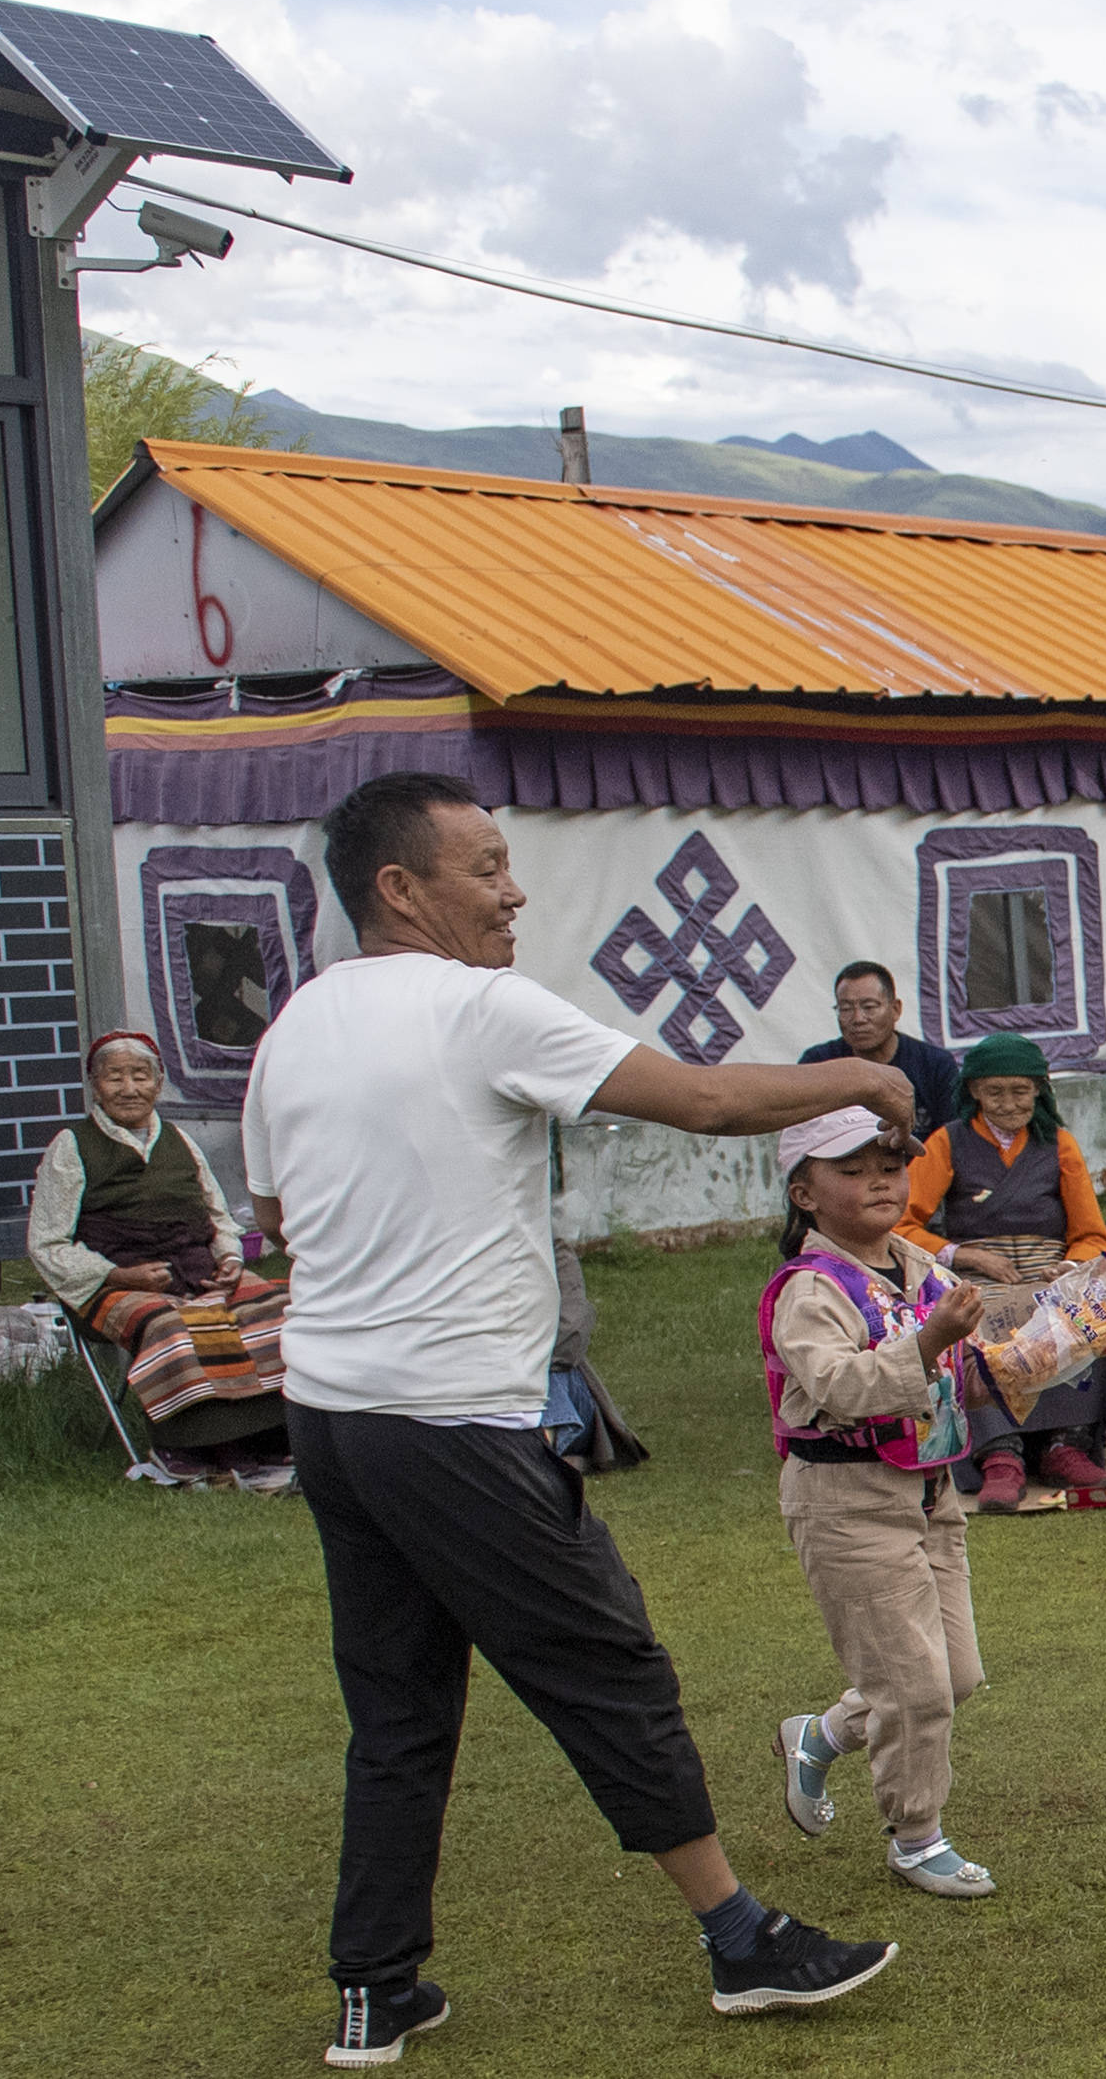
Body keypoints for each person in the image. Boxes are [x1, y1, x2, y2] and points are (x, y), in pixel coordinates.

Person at [248, 772, 910, 2067]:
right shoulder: (479, 1007)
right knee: (610, 1667)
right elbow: (704, 1099)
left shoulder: (296, 1027)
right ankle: (741, 1941)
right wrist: (858, 1078)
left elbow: (278, 1222)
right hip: (450, 1425)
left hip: (333, 1418)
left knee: (397, 1707)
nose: (514, 890)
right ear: (401, 887)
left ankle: (376, 1988)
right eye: (486, 866)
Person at [762, 1106, 996, 1900]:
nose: (880, 1183)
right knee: (915, 1686)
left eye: (891, 1168)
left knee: (954, 1674)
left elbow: (967, 1363)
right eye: (853, 1170)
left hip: (928, 1492)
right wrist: (928, 1343)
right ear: (804, 1193)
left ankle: (821, 1736)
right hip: (846, 1501)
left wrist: (1048, 1342)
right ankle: (916, 1833)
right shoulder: (809, 1288)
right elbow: (836, 1384)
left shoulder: (916, 1265)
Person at [28, 1029, 292, 1490]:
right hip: (114, 1282)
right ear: (95, 1084)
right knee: (173, 1324)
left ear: (159, 1081)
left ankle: (273, 1439)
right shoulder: (71, 1147)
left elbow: (218, 1216)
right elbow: (47, 1243)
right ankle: (188, 1448)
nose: (128, 1088)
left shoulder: (180, 1141)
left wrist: (229, 1259)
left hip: (196, 1269)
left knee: (277, 1308)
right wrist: (117, 1274)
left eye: (140, 1076)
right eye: (115, 1078)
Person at [897, 1033, 1106, 1511]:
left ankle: (1066, 1443)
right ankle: (1000, 1455)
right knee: (972, 1330)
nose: (1009, 1103)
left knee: (1094, 1316)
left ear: (1039, 1090)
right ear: (973, 1091)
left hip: (1047, 1273)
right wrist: (961, 1254)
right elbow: (902, 1223)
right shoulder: (947, 1142)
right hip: (976, 1273)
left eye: (1021, 1091)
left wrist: (1070, 1267)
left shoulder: (1058, 1144)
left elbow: (1092, 1234)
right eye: (995, 1092)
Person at [801, 962, 964, 1140]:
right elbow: (803, 1138)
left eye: (869, 1007)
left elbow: (951, 1142)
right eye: (846, 1009)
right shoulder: (818, 1063)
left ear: (895, 1009)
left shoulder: (935, 1065)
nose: (858, 1019)